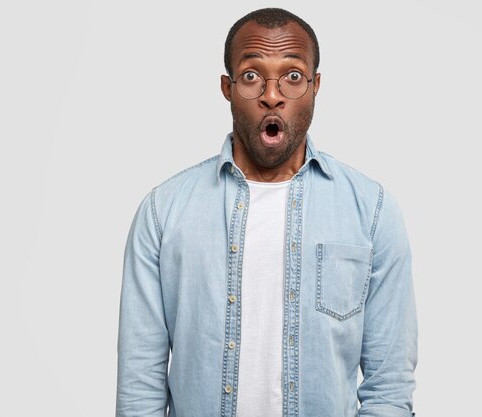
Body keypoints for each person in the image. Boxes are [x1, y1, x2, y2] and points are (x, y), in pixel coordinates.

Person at [116, 7, 417, 417]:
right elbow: (140, 386)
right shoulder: (163, 213)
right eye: (252, 75)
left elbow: (389, 385)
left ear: (316, 86)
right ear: (227, 87)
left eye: (293, 76)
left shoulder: (371, 211)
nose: (271, 94)